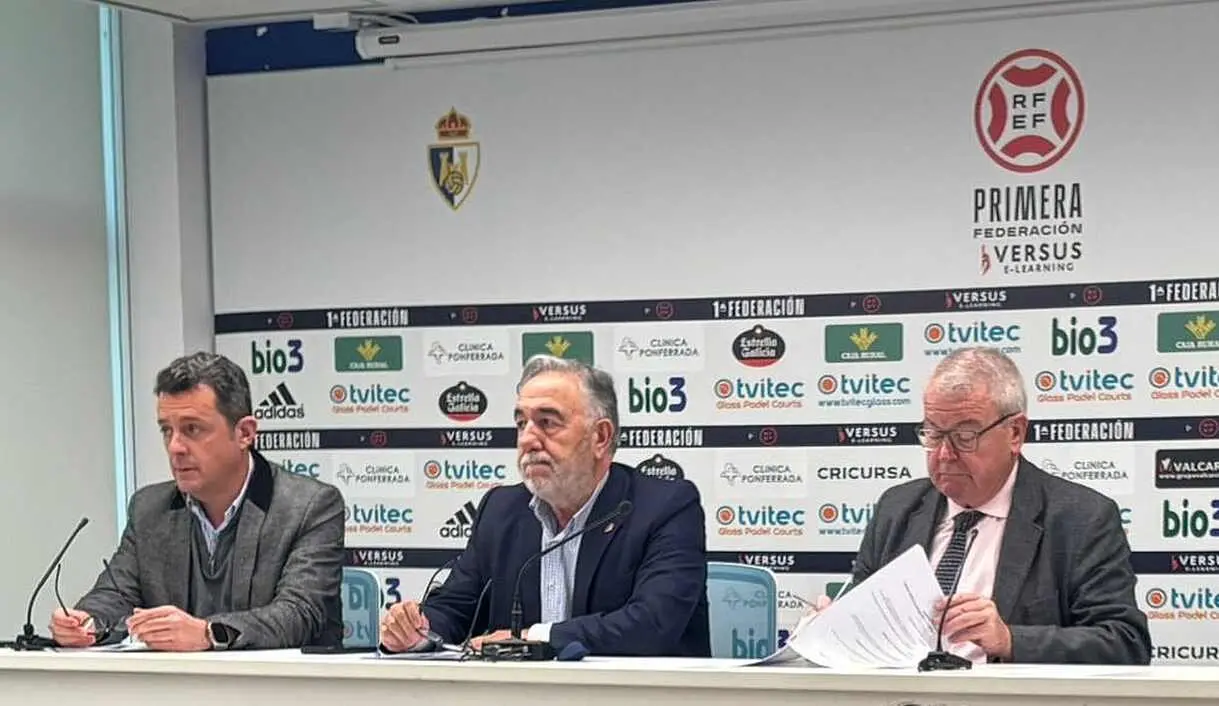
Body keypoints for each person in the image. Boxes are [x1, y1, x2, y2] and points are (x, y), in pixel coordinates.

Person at [800, 346, 1150, 665]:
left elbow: (1125, 642)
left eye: (965, 437)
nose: (944, 454)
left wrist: (1010, 639)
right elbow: (868, 622)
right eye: (934, 434)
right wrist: (835, 628)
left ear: (1015, 433)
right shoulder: (898, 508)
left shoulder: (1081, 518)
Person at [380, 354, 710, 657]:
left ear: (600, 437)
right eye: (522, 423)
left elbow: (652, 624)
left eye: (547, 423)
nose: (527, 439)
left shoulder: (665, 506)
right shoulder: (501, 509)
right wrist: (418, 633)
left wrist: (535, 637)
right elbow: (455, 608)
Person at [49, 351, 345, 651]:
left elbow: (299, 615)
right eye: (167, 430)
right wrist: (86, 623)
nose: (175, 447)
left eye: (193, 429)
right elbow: (115, 595)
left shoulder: (309, 506)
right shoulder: (150, 509)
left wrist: (208, 633)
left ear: (244, 433)